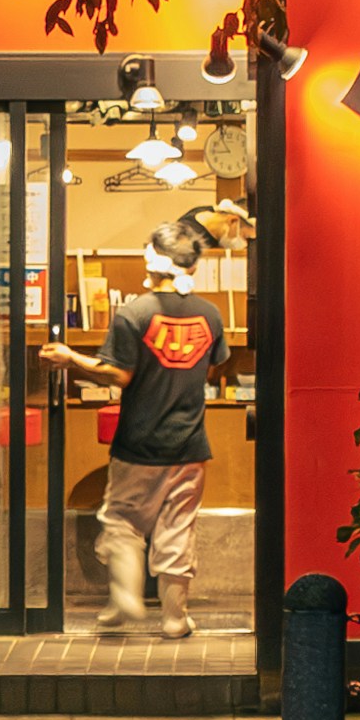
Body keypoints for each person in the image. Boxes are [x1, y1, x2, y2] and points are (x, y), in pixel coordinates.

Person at [40, 228, 233, 639]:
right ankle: (174, 618)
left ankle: (126, 595)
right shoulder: (211, 315)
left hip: (139, 444)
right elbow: (214, 367)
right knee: (178, 528)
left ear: (151, 263)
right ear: (192, 265)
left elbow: (119, 375)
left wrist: (70, 357)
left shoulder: (135, 314)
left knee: (124, 521)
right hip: (190, 445)